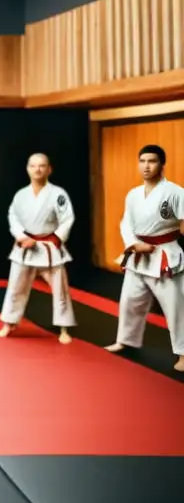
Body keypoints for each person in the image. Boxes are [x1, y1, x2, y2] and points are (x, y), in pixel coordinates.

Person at [105, 144, 184, 371]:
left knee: (176, 308)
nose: (146, 166)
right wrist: (133, 244)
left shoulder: (175, 192)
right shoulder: (133, 194)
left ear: (162, 164)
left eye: (152, 161)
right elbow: (125, 223)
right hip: (138, 255)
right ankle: (126, 340)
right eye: (143, 161)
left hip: (165, 256)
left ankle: (183, 354)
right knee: (130, 301)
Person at [0, 153, 76, 344]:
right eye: (33, 166)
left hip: (49, 247)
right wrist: (22, 237)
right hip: (25, 246)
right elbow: (12, 217)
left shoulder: (58, 194)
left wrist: (55, 238)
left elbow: (67, 219)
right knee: (16, 286)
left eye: (42, 166)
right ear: (28, 169)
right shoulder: (21, 195)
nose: (37, 169)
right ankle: (9, 322)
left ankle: (64, 327)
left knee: (60, 289)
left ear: (49, 169)